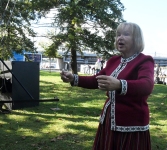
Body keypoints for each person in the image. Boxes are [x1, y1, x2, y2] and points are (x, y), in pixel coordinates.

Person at [60, 22, 154, 150]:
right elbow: (96, 80)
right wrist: (74, 78)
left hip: (131, 123)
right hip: (109, 120)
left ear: (136, 39)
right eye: (118, 34)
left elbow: (147, 85)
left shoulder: (144, 60)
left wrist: (119, 85)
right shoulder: (113, 61)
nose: (120, 38)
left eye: (126, 34)